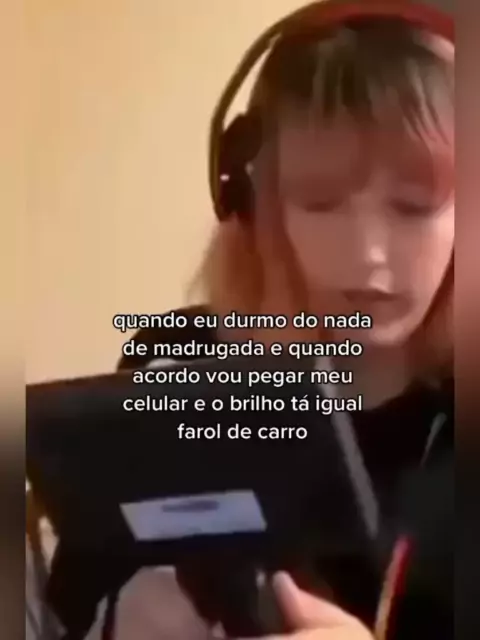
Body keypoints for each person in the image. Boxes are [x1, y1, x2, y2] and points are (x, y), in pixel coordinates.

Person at [34, 3, 453, 640]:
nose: (369, 253)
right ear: (254, 204)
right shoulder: (176, 359)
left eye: (414, 207)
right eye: (321, 202)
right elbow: (74, 607)